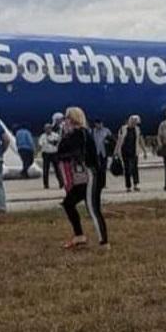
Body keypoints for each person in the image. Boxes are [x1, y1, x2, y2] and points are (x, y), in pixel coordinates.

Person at [57, 107, 108, 249]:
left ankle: (104, 242)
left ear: (73, 119)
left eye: (67, 118)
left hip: (90, 175)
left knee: (93, 209)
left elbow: (65, 151)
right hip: (81, 178)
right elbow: (61, 152)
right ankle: (79, 236)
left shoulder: (80, 134)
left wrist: (65, 135)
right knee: (68, 203)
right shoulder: (76, 134)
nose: (65, 121)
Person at [115, 115, 146, 192]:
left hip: (134, 152)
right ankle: (128, 186)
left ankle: (136, 185)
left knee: (135, 169)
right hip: (125, 152)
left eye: (136, 123)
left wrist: (144, 151)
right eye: (134, 122)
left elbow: (140, 140)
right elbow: (119, 140)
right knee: (127, 169)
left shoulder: (137, 130)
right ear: (130, 121)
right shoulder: (123, 129)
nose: (134, 124)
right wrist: (116, 151)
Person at [38, 123, 63, 189]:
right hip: (46, 154)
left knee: (57, 169)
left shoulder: (55, 135)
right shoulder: (42, 136)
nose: (47, 130)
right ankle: (46, 185)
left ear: (51, 129)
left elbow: (59, 143)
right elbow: (40, 144)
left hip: (54, 153)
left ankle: (61, 183)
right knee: (45, 169)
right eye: (46, 129)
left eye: (49, 128)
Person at [91, 120, 113, 189]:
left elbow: (112, 140)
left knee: (103, 169)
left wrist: (108, 142)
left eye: (100, 124)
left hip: (104, 153)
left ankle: (103, 184)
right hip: (96, 153)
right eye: (97, 124)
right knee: (97, 169)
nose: (99, 125)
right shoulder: (93, 131)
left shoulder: (106, 131)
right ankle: (97, 183)